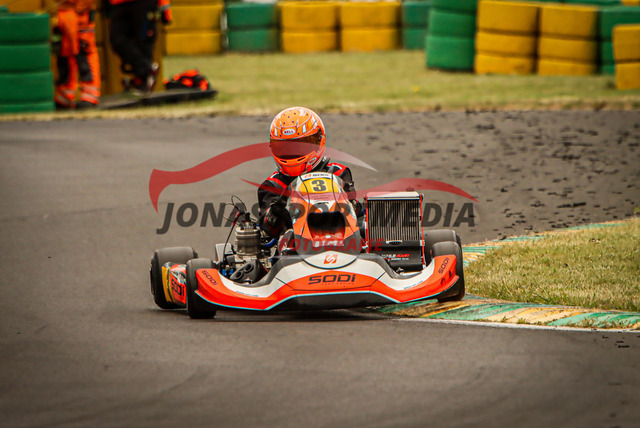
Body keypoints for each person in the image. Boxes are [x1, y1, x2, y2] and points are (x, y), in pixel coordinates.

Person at [258, 106, 360, 238]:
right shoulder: (273, 185)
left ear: (319, 142)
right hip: (294, 245)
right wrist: (276, 211)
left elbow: (356, 213)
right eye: (285, 148)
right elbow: (268, 228)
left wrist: (351, 202)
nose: (292, 153)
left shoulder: (337, 173)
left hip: (341, 236)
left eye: (300, 146)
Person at [107, 0, 171, 94]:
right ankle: (146, 69)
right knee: (117, 40)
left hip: (145, 4)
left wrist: (165, 8)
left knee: (144, 42)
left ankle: (143, 81)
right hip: (120, 4)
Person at [53, 0, 101, 109]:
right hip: (64, 12)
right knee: (65, 54)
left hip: (80, 13)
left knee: (84, 54)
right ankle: (65, 95)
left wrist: (81, 6)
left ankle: (90, 95)